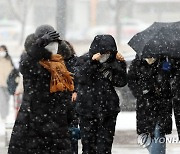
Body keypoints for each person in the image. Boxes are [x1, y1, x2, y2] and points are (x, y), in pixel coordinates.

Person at [8, 25, 75, 154]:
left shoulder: (60, 66)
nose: (53, 48)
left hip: (57, 127)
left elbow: (65, 96)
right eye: (49, 44)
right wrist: (38, 45)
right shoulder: (33, 64)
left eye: (55, 44)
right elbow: (25, 64)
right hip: (34, 124)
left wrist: (70, 117)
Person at [75, 34, 127, 154]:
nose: (106, 54)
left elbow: (121, 82)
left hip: (108, 110)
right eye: (104, 52)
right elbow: (80, 78)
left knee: (105, 148)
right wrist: (93, 63)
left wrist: (121, 64)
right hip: (87, 111)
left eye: (109, 52)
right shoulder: (84, 60)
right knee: (88, 148)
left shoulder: (113, 62)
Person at [128, 55, 173, 154]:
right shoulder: (137, 63)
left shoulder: (164, 62)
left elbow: (169, 80)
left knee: (159, 132)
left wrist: (161, 86)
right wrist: (141, 91)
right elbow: (131, 81)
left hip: (162, 105)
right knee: (147, 136)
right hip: (145, 106)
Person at [57, 40, 80, 154]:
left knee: (70, 132)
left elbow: (79, 79)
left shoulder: (74, 62)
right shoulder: (57, 63)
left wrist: (75, 91)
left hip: (69, 101)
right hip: (65, 101)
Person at [0, 45, 14, 121]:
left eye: (3, 50)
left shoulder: (9, 60)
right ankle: (3, 116)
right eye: (0, 50)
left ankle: (5, 114)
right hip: (0, 84)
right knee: (2, 100)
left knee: (7, 99)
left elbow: (13, 71)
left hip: (8, 84)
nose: (1, 52)